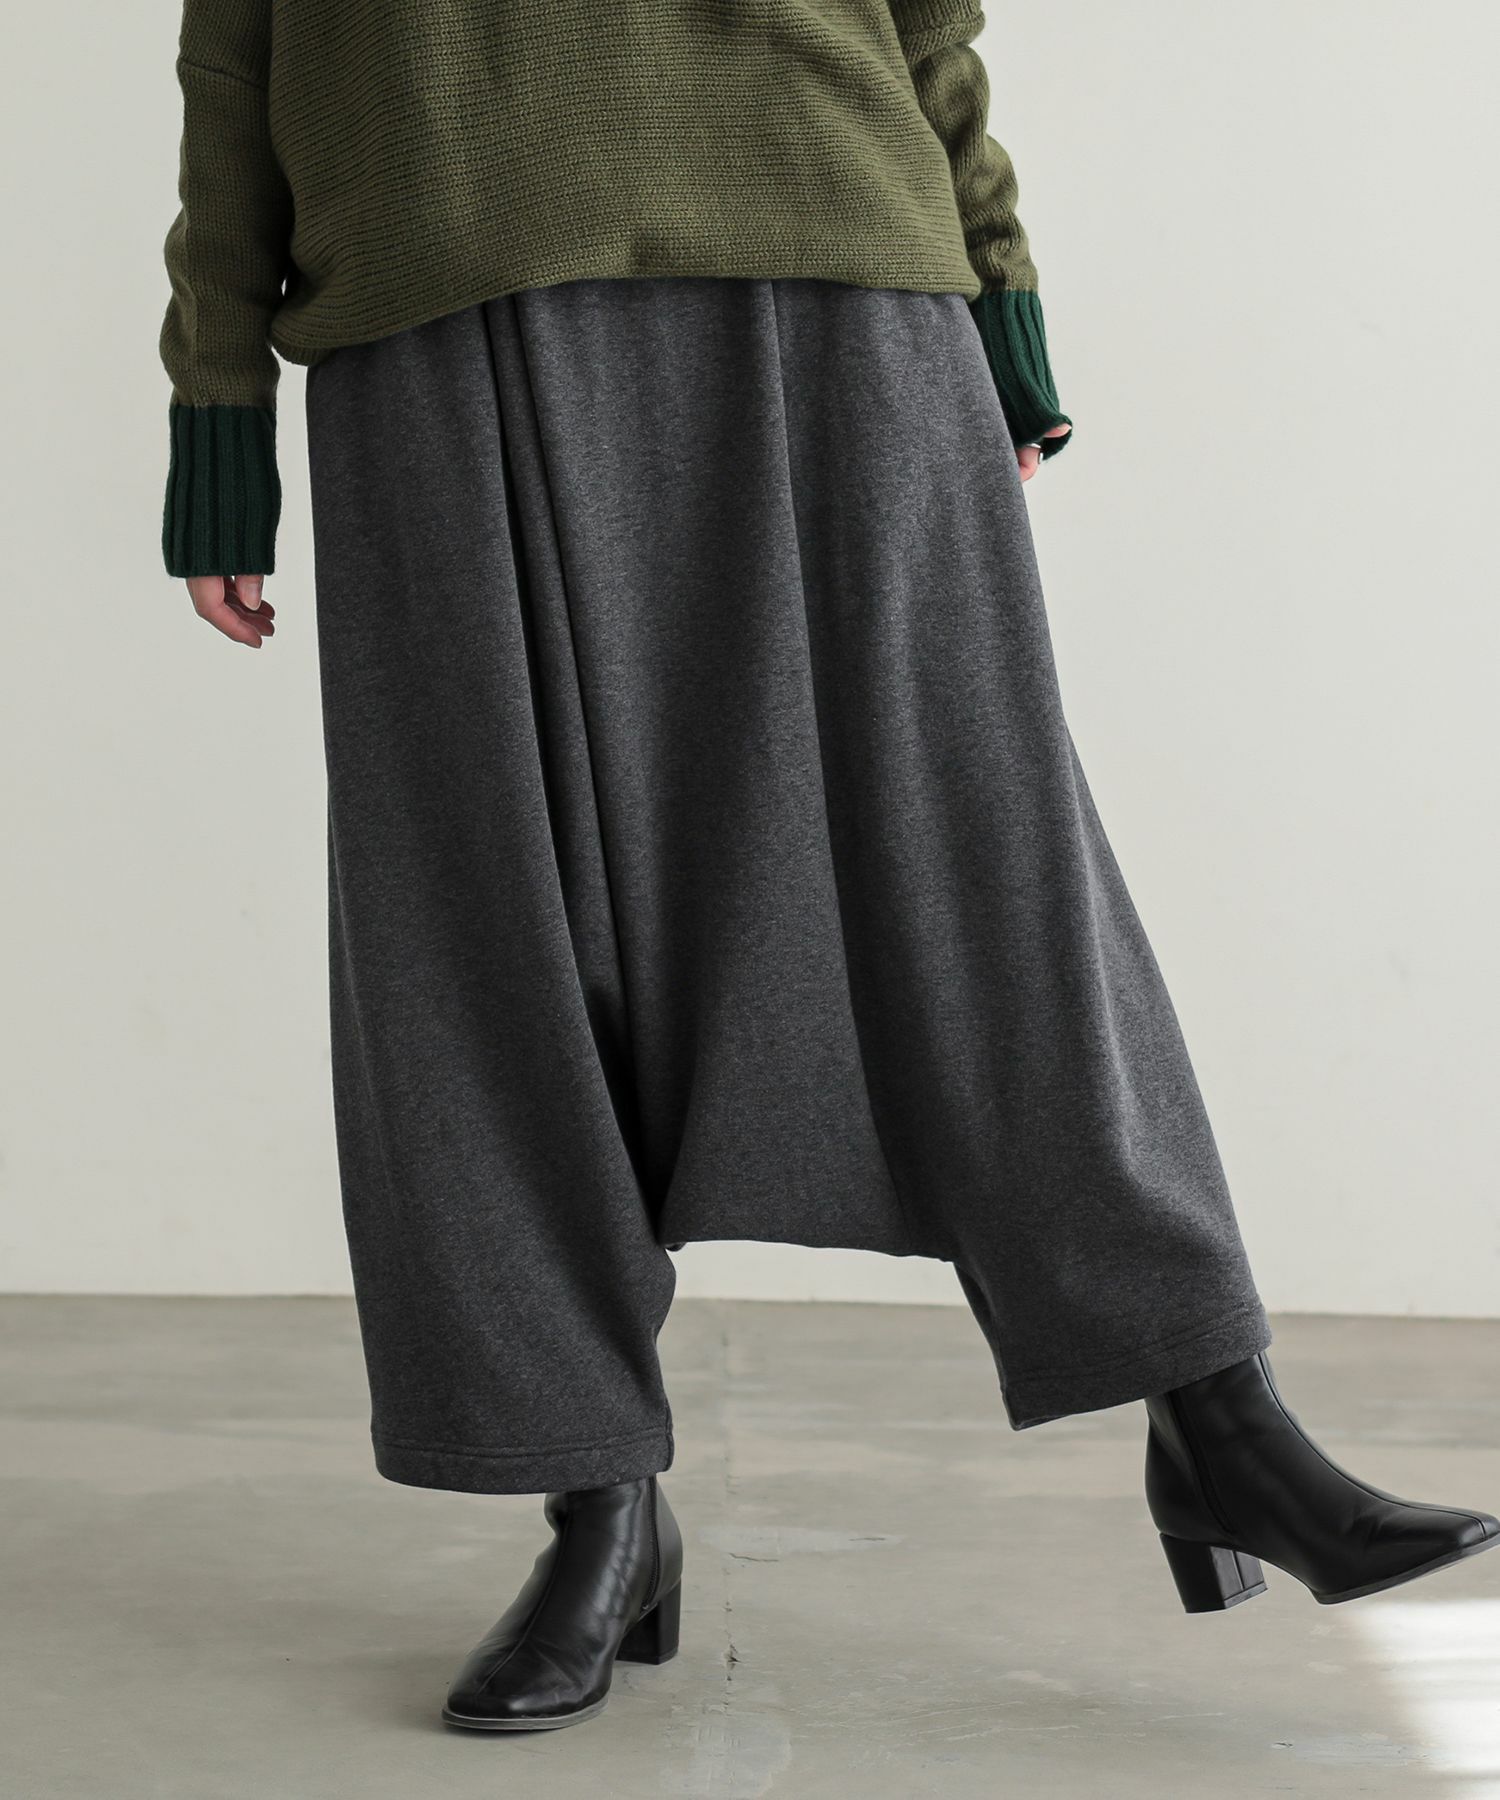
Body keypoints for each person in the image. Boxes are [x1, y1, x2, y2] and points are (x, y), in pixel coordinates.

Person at [158, 0, 1497, 1734]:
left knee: (983, 864)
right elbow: (234, 65)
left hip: (839, 253)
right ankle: (597, 1500)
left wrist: (1000, 301)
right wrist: (217, 415)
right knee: (487, 921)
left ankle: (1217, 1415)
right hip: (437, 285)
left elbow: (926, 22)